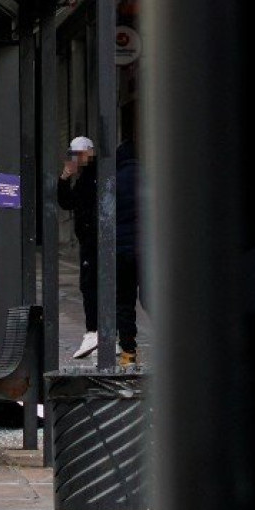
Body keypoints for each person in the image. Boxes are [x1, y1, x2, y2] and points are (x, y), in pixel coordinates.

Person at [57, 135, 99, 358]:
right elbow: (67, 202)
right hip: (89, 240)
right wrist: (65, 178)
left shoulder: (95, 175)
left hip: (94, 240)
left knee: (90, 285)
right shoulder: (84, 177)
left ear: (89, 153)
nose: (76, 159)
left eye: (79, 154)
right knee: (90, 284)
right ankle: (99, 331)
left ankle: (95, 331)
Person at [114, 140, 142, 366]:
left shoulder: (113, 181)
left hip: (122, 250)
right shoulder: (151, 179)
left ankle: (128, 352)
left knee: (124, 302)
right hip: (147, 250)